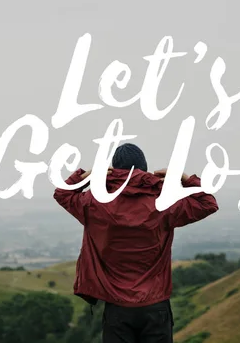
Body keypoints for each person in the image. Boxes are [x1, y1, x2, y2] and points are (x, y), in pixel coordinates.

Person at [53, 143, 219, 343]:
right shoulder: (164, 201)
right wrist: (184, 178)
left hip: (117, 308)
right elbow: (208, 203)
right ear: (144, 168)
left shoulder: (95, 202)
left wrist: (87, 175)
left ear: (114, 169)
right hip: (156, 306)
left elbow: (63, 193)